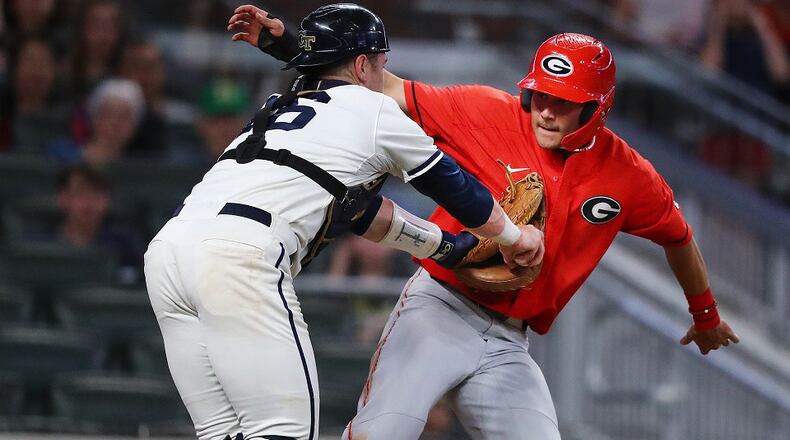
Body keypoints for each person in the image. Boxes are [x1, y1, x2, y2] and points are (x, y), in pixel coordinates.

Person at [232, 6, 741, 439]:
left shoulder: (631, 176)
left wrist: (705, 314)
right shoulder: (485, 111)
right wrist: (288, 48)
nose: (545, 110)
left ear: (598, 107)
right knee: (382, 432)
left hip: (509, 342)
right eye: (539, 94)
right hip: (439, 307)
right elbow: (378, 86)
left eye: (563, 103)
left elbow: (678, 237)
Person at [146, 4, 543, 440]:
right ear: (361, 64)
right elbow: (455, 188)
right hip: (241, 255)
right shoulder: (373, 111)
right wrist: (510, 234)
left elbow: (357, 212)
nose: (383, 75)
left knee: (222, 432)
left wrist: (448, 247)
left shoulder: (282, 105)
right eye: (380, 64)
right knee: (283, 430)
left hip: (169, 254)